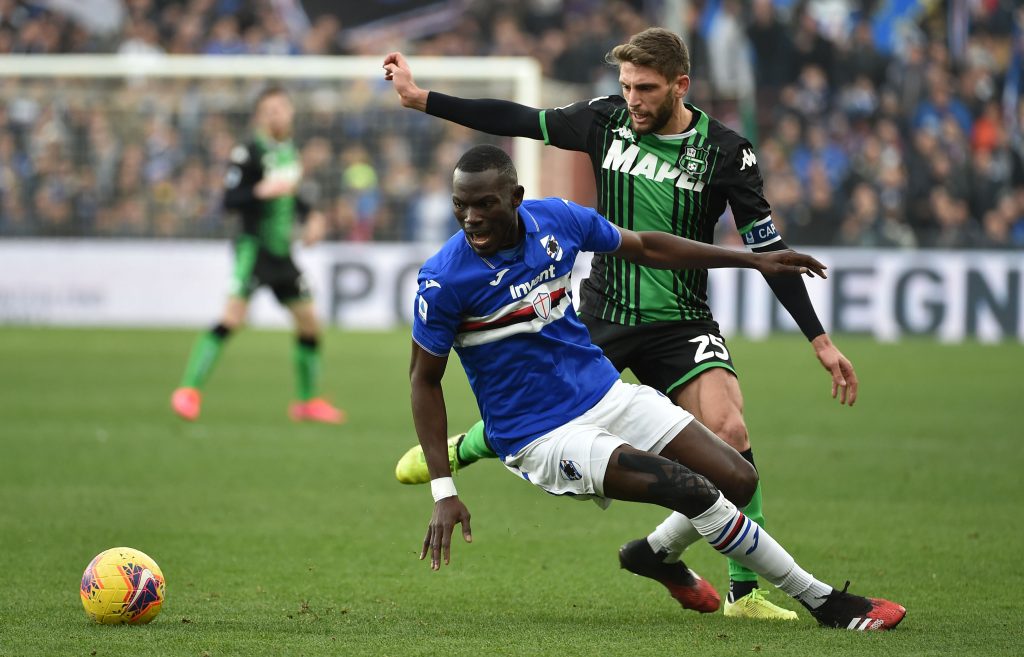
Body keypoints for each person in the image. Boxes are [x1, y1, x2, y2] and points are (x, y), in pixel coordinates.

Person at [385, 27, 858, 619]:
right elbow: (517, 118)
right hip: (604, 313)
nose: (633, 98)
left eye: (646, 88)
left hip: (681, 318)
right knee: (551, 400)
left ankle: (742, 592)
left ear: (680, 86)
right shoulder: (601, 121)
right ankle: (476, 442)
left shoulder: (727, 153)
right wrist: (424, 98)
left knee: (732, 438)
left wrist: (818, 338)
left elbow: (766, 248)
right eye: (627, 86)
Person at [409, 144, 904, 632]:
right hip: (540, 436)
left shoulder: (556, 220)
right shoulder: (444, 280)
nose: (470, 218)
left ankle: (653, 554)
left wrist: (754, 261)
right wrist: (442, 491)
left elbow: (646, 246)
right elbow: (423, 381)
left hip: (605, 395)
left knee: (738, 479)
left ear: (515, 197)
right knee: (688, 490)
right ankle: (826, 603)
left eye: (484, 204)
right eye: (461, 205)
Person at [170, 86, 345, 424]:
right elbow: (229, 200)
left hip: (281, 252)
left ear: (291, 112)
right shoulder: (248, 151)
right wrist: (258, 190)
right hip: (254, 247)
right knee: (233, 317)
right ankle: (188, 390)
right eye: (269, 110)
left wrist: (312, 217)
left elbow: (291, 195)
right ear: (260, 116)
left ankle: (307, 402)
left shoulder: (289, 151)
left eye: (281, 108)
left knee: (309, 321)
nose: (276, 114)